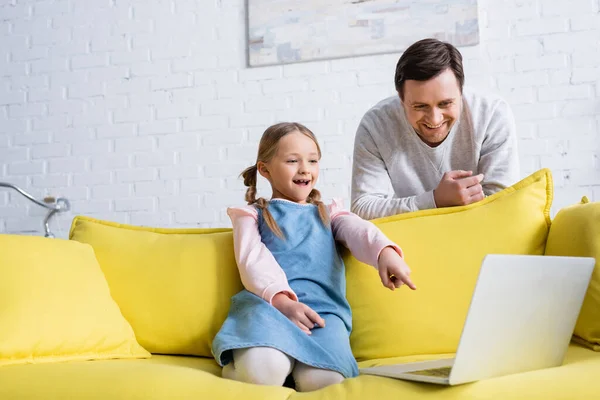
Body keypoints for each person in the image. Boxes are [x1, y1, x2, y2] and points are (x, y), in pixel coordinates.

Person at [212, 122, 416, 392]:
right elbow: (252, 260)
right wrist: (284, 303)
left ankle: (292, 370)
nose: (305, 169)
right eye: (292, 161)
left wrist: (385, 253)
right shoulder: (252, 215)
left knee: (324, 383)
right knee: (264, 371)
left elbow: (359, 231)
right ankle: (245, 370)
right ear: (265, 169)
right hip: (270, 309)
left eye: (312, 160)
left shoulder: (329, 213)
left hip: (322, 315)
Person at [351, 38, 520, 220]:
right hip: (413, 237)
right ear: (401, 99)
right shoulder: (376, 125)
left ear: (461, 92)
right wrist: (434, 200)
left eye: (445, 103)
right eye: (420, 106)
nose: (435, 119)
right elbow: (363, 208)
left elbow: (502, 203)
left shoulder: (491, 114)